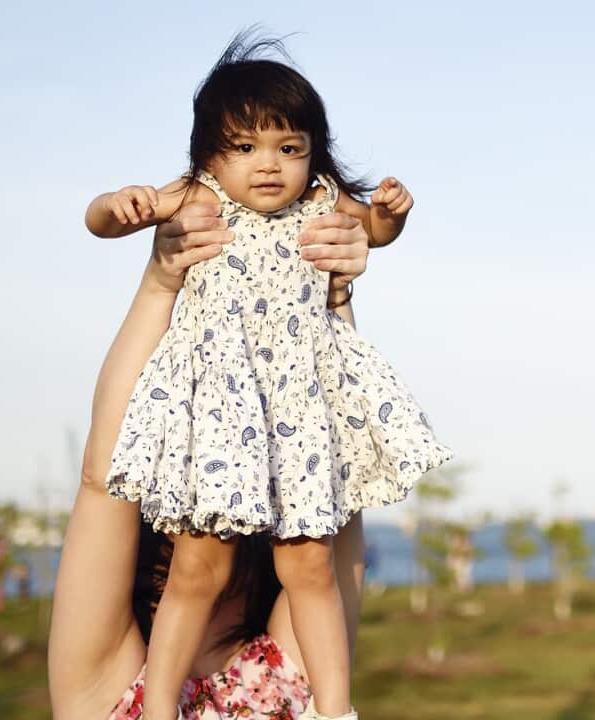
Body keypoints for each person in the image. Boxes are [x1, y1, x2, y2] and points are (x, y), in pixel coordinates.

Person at [81, 33, 452, 720]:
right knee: (199, 561)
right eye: (245, 147)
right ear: (209, 156)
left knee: (310, 561)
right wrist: (119, 204)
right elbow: (99, 221)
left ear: (312, 150)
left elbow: (371, 230)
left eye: (289, 146)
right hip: (221, 407)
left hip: (300, 404)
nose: (270, 165)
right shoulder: (197, 199)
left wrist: (390, 218)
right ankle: (160, 708)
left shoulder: (321, 201)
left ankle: (336, 709)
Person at [49, 196, 373, 718]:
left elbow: (334, 475)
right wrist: (161, 282)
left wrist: (326, 293)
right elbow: (104, 477)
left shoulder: (291, 666)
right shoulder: (107, 679)